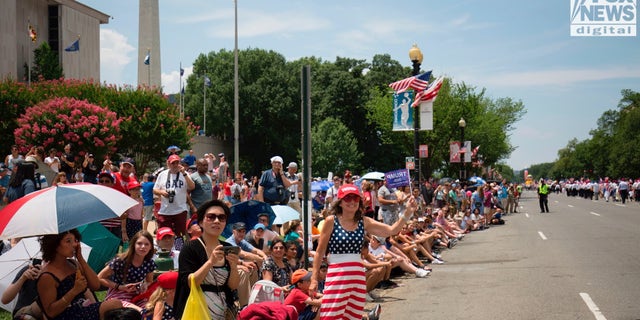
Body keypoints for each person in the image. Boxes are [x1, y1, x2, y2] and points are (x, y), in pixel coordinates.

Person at [311, 184, 418, 319]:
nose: (352, 202)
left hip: (358, 276)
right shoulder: (331, 221)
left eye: (356, 199)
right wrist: (314, 279)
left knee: (353, 316)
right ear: (340, 202)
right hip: (337, 275)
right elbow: (320, 252)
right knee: (330, 315)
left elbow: (392, 230)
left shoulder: (364, 221)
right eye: (348, 198)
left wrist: (407, 213)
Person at [173, 199, 240, 319]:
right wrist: (210, 262)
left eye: (221, 218)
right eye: (211, 217)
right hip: (197, 310)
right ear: (201, 222)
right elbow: (189, 282)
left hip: (222, 311)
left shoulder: (227, 248)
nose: (217, 221)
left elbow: (233, 286)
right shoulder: (190, 248)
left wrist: (234, 266)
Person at [36, 229, 122, 320]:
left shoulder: (73, 264)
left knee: (117, 306)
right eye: (68, 241)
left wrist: (80, 258)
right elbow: (51, 312)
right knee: (113, 305)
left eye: (75, 240)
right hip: (67, 315)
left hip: (83, 308)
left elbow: (95, 285)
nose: (74, 245)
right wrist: (74, 291)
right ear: (55, 245)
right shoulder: (47, 276)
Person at [98, 231, 157, 310]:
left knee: (150, 308)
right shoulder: (121, 260)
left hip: (137, 295)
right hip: (118, 294)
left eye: (147, 244)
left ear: (151, 247)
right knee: (132, 310)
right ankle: (141, 311)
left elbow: (149, 282)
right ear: (133, 245)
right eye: (139, 243)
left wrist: (145, 286)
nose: (143, 247)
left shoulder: (149, 263)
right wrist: (120, 287)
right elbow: (99, 277)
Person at [153, 154, 195, 239]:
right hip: (165, 210)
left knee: (179, 235)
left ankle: (178, 251)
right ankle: (166, 251)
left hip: (180, 210)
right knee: (164, 234)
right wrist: (162, 192)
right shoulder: (162, 174)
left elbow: (192, 187)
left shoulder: (185, 174)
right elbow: (154, 190)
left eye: (177, 163)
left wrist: (184, 174)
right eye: (173, 163)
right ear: (168, 164)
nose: (175, 165)